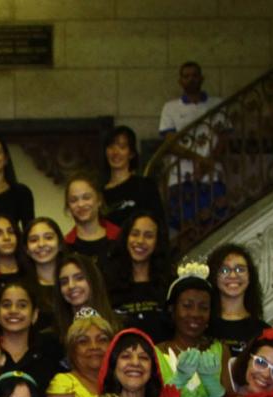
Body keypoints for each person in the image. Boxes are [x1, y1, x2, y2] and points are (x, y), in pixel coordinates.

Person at [157, 60, 228, 231]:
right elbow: (170, 143)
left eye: (195, 75)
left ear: (202, 78)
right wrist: (200, 160)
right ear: (180, 81)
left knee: (214, 227)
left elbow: (225, 139)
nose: (191, 79)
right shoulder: (170, 108)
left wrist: (208, 162)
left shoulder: (217, 104)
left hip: (212, 177)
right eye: (186, 76)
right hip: (181, 177)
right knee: (185, 229)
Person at [157, 264, 225, 397]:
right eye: (187, 306)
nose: (195, 314)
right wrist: (179, 379)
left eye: (203, 308)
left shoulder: (220, 350)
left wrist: (213, 386)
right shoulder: (155, 353)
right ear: (172, 309)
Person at [106, 210, 174, 343]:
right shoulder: (109, 282)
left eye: (148, 236)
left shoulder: (168, 283)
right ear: (126, 237)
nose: (140, 241)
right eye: (135, 234)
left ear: (157, 242)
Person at [205, 243, 269, 359]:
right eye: (224, 270)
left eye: (240, 269)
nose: (233, 275)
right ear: (214, 277)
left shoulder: (263, 332)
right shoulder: (202, 326)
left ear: (250, 277)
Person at [100, 125, 165, 230]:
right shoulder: (99, 192)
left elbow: (159, 225)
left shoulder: (146, 187)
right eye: (111, 146)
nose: (115, 153)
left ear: (131, 153)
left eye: (122, 147)